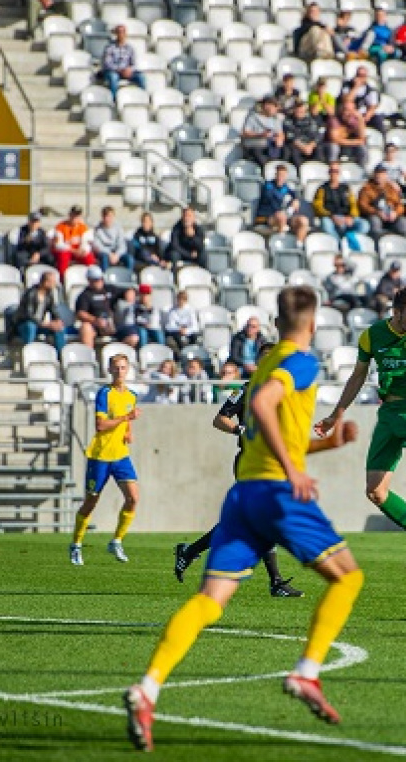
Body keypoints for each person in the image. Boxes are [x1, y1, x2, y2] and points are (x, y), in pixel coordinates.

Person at [125, 288, 365, 749]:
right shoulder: (301, 363)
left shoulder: (260, 374)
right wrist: (295, 469)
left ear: (277, 320)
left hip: (243, 495)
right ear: (312, 324)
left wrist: (326, 446)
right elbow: (261, 411)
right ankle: (307, 673)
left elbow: (267, 423)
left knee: (210, 600)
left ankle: (148, 687)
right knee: (348, 579)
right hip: (278, 492)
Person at [315, 287, 406, 571]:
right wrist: (335, 416)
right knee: (375, 491)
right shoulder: (372, 336)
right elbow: (357, 377)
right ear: (396, 312)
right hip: (388, 413)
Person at [173, 342, 308, 597]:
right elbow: (220, 419)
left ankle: (190, 552)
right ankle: (275, 582)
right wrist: (239, 429)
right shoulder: (246, 391)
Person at [70, 353, 141, 566]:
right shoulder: (104, 394)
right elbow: (100, 426)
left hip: (120, 455)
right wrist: (127, 419)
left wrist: (128, 430)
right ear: (109, 370)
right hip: (100, 456)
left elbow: (125, 419)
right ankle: (76, 544)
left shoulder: (131, 395)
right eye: (116, 368)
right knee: (91, 502)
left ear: (128, 370)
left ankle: (117, 540)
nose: (119, 371)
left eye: (123, 368)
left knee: (133, 498)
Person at [312, 162, 369, 249]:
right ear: (328, 173)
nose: (334, 174)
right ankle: (339, 244)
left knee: (364, 225)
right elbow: (317, 206)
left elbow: (353, 204)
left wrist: (351, 217)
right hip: (330, 217)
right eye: (332, 171)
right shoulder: (322, 189)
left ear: (339, 173)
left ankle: (349, 237)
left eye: (336, 171)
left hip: (346, 217)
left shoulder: (346, 188)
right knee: (325, 224)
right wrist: (331, 216)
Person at [15, 270, 67, 354]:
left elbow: (53, 310)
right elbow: (28, 315)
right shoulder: (31, 293)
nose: (55, 284)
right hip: (24, 324)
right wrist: (45, 324)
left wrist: (57, 321)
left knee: (58, 329)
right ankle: (29, 353)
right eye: (53, 282)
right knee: (30, 326)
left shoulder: (49, 294)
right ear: (46, 282)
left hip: (40, 325)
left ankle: (60, 355)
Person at [254, 164, 309, 242]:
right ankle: (281, 243)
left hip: (285, 216)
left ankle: (298, 246)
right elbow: (273, 200)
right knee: (281, 216)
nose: (280, 178)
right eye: (279, 175)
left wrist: (296, 201)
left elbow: (295, 196)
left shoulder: (286, 187)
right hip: (266, 217)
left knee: (303, 220)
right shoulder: (268, 186)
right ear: (275, 175)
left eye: (283, 175)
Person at [358, 164, 406, 238]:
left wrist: (395, 213)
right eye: (378, 173)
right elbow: (363, 205)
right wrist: (377, 212)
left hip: (391, 215)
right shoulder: (366, 188)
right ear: (374, 174)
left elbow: (399, 204)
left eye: (382, 174)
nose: (380, 176)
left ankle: (401, 244)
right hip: (376, 214)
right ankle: (377, 243)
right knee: (375, 221)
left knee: (402, 222)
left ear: (386, 175)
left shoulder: (391, 188)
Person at [100, 24, 145, 99]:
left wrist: (129, 70)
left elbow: (133, 63)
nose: (121, 34)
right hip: (113, 71)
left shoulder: (130, 48)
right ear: (116, 34)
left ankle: (143, 98)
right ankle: (113, 100)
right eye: (119, 32)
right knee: (113, 77)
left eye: (123, 32)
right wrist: (120, 70)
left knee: (141, 77)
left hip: (127, 72)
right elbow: (107, 64)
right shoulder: (109, 47)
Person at [75, 265, 115, 348]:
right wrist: (95, 320)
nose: (99, 282)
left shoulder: (109, 289)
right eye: (96, 280)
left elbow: (127, 290)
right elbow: (80, 313)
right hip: (95, 325)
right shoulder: (85, 295)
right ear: (89, 280)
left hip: (112, 322)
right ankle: (89, 356)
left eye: (100, 279)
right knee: (85, 327)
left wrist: (129, 293)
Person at [339, 66, 386, 134]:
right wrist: (356, 87)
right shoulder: (347, 86)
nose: (361, 78)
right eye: (359, 75)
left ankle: (383, 139)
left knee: (377, 119)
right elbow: (346, 100)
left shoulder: (370, 90)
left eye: (363, 76)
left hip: (363, 115)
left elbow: (372, 108)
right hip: (348, 114)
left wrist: (364, 120)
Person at [242, 96, 285, 167]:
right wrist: (260, 135)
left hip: (271, 145)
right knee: (260, 156)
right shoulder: (253, 117)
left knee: (286, 151)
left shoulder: (276, 118)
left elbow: (280, 133)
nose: (275, 109)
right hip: (256, 145)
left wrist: (280, 139)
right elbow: (245, 133)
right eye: (273, 106)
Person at [325, 94, 367, 165]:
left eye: (351, 110)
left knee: (362, 148)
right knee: (334, 147)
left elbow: (362, 138)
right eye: (346, 110)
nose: (349, 114)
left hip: (347, 145)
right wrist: (356, 142)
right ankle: (333, 167)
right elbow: (335, 140)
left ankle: (362, 168)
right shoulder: (334, 120)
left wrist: (360, 119)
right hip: (330, 146)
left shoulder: (353, 120)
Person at [53, 205, 96, 274]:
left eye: (77, 216)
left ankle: (91, 277)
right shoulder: (60, 226)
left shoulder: (83, 227)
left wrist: (83, 250)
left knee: (89, 258)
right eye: (73, 215)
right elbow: (58, 244)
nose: (74, 218)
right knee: (63, 257)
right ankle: (62, 279)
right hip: (66, 251)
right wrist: (72, 250)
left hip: (78, 251)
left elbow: (86, 243)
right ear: (69, 215)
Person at [283, 99, 324, 167]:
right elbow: (291, 137)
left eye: (301, 111)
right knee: (293, 152)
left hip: (311, 145)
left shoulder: (312, 119)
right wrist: (303, 147)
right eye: (297, 111)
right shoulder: (288, 120)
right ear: (294, 110)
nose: (299, 113)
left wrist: (310, 146)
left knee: (319, 150)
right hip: (297, 146)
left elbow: (319, 134)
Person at [93, 205, 131, 271]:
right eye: (106, 216)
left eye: (110, 216)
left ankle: (128, 278)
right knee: (104, 258)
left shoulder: (118, 228)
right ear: (103, 217)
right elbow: (98, 246)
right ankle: (105, 278)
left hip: (116, 253)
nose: (108, 219)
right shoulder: (98, 229)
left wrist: (117, 255)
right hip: (105, 253)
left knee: (129, 259)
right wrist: (110, 254)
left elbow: (122, 245)